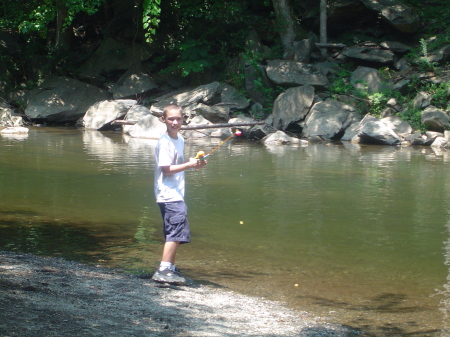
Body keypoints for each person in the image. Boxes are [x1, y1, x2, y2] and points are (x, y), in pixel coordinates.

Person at [152, 104, 207, 285]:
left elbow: (179, 165)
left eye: (178, 119)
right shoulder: (165, 142)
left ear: (183, 119)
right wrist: (190, 165)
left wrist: (196, 164)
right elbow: (167, 170)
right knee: (175, 231)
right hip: (168, 194)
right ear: (163, 120)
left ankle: (171, 268)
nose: (175, 122)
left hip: (176, 193)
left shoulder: (180, 139)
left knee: (176, 231)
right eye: (171, 119)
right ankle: (164, 269)